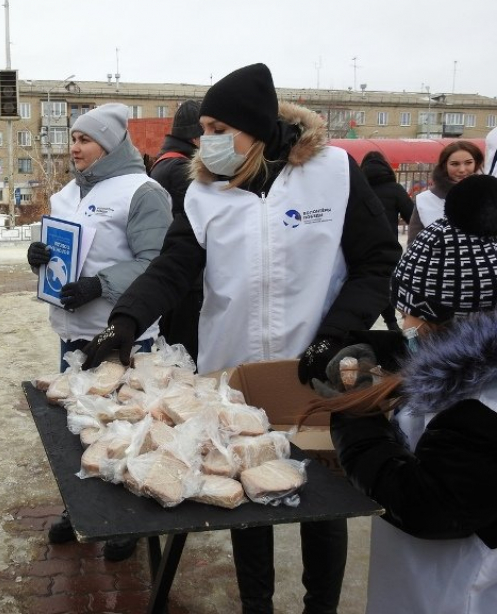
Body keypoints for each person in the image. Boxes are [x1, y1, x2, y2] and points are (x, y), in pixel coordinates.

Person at [81, 63, 402, 613]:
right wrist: (126, 320)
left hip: (317, 370)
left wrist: (336, 334)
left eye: (218, 128)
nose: (206, 140)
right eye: (204, 129)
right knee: (248, 491)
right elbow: (174, 266)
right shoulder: (203, 190)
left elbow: (377, 260)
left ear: (255, 127)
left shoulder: (332, 172)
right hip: (234, 374)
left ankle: (320, 607)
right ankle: (257, 605)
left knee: (324, 500)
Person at [301, 173, 497, 613]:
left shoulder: (485, 411)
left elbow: (424, 504)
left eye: (415, 316)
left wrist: (354, 415)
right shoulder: (463, 360)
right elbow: (417, 350)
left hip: (461, 590)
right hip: (417, 580)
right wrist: (355, 346)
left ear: (459, 323)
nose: (405, 324)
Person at [26, 102, 172, 561]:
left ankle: (126, 517)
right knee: (79, 424)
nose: (74, 147)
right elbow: (62, 247)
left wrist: (100, 284)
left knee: (123, 427)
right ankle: (80, 506)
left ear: (108, 144)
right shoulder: (69, 191)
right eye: (73, 138)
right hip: (72, 333)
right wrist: (39, 255)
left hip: (123, 336)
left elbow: (157, 263)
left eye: (85, 139)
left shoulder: (142, 191)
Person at [149, 100, 205, 362]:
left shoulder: (163, 163)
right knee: (185, 357)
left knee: (171, 350)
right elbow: (195, 227)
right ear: (195, 137)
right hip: (187, 280)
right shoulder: (183, 169)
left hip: (170, 274)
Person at [359, 150, 413, 331]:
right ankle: (392, 323)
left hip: (362, 248)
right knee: (386, 285)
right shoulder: (395, 189)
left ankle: (375, 323)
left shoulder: (359, 189)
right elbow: (412, 216)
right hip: (389, 248)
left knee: (366, 287)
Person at [407, 140, 483, 244]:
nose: (462, 169)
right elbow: (414, 245)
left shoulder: (489, 198)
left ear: (476, 164)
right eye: (455, 164)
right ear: (444, 166)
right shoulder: (424, 200)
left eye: (468, 163)